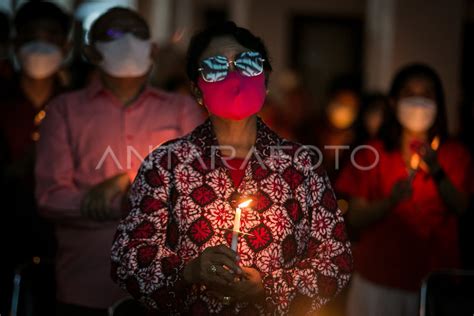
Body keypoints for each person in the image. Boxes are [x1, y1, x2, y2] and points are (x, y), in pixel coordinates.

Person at [110, 21, 352, 315]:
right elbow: (127, 256)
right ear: (197, 89)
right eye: (215, 67)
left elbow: (335, 260)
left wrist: (269, 286)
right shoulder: (167, 164)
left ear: (265, 79)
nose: (234, 76)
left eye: (248, 63)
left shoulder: (300, 165)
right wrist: (189, 272)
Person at [35, 7, 204, 316]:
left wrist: (126, 182)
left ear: (152, 49)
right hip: (84, 285)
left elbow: (194, 188)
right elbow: (50, 198)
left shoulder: (182, 109)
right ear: (91, 50)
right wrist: (140, 203)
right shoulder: (63, 111)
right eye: (114, 34)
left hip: (162, 288)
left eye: (137, 34)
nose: (126, 42)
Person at [336, 63, 472, 316]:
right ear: (393, 101)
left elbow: (462, 206)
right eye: (410, 94)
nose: (419, 102)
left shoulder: (455, 154)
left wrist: (437, 170)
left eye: (427, 94)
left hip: (434, 282)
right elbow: (355, 216)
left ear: (439, 103)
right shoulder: (371, 153)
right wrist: (390, 202)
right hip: (379, 281)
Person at [0, 2, 72, 314]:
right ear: (15, 44)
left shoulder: (76, 103)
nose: (41, 44)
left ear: (66, 45)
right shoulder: (2, 99)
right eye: (31, 36)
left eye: (51, 36)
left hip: (61, 238)